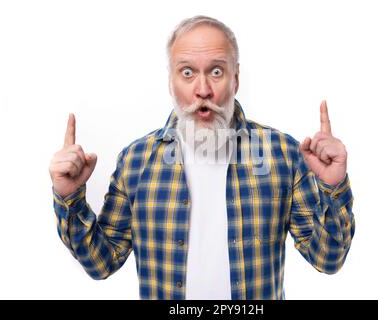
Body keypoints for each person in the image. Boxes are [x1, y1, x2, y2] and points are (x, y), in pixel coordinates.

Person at [49, 15, 355, 300]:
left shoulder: (283, 155)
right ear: (171, 81)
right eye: (187, 72)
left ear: (236, 79)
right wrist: (70, 197)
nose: (203, 89)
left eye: (217, 71)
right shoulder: (136, 160)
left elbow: (328, 259)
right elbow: (101, 264)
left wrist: (333, 187)